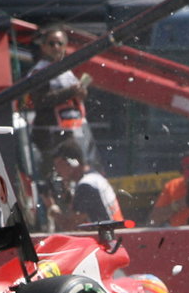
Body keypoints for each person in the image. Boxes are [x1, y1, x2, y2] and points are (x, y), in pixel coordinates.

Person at [25, 27, 94, 169]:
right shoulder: (40, 71)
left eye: (59, 43)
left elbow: (74, 97)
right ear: (43, 46)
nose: (56, 47)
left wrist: (81, 93)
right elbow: (41, 100)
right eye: (51, 43)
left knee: (78, 170)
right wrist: (70, 91)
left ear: (65, 46)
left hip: (71, 130)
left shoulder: (65, 70)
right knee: (56, 174)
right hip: (49, 135)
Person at [49, 141, 122, 228]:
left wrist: (52, 209)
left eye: (59, 164)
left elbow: (70, 226)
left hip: (107, 237)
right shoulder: (94, 177)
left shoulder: (85, 186)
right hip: (115, 234)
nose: (57, 170)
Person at [147, 151, 189, 227]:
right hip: (180, 235)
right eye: (188, 167)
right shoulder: (173, 186)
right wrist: (176, 205)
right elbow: (154, 219)